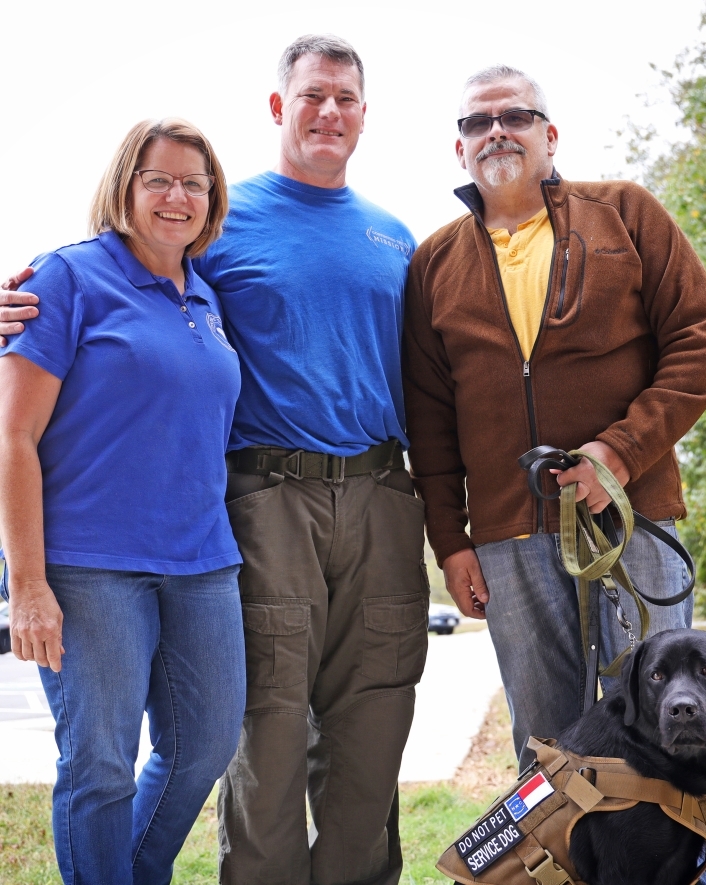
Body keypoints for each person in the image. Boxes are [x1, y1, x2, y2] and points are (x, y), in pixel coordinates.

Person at [0, 35, 428, 885]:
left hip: (305, 519)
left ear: (366, 115)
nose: (329, 111)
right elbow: (81, 323)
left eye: (345, 98)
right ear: (280, 107)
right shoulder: (151, 254)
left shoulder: (378, 241)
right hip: (218, 514)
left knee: (282, 734)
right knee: (193, 743)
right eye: (312, 95)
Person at [402, 66, 706, 768]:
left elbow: (705, 339)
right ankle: (554, 875)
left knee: (665, 721)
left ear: (549, 135)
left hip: (631, 512)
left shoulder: (626, 212)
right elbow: (429, 419)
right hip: (506, 533)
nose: (495, 130)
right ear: (458, 149)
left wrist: (620, 450)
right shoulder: (433, 262)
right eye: (475, 122)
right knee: (546, 739)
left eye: (515, 116)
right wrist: (450, 540)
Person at [0, 118, 246, 885]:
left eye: (194, 184)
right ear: (125, 187)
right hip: (88, 566)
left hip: (203, 562)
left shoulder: (204, 295)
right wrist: (29, 585)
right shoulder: (66, 279)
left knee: (205, 744)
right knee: (100, 764)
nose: (177, 196)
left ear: (212, 199)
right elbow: (12, 438)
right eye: (159, 180)